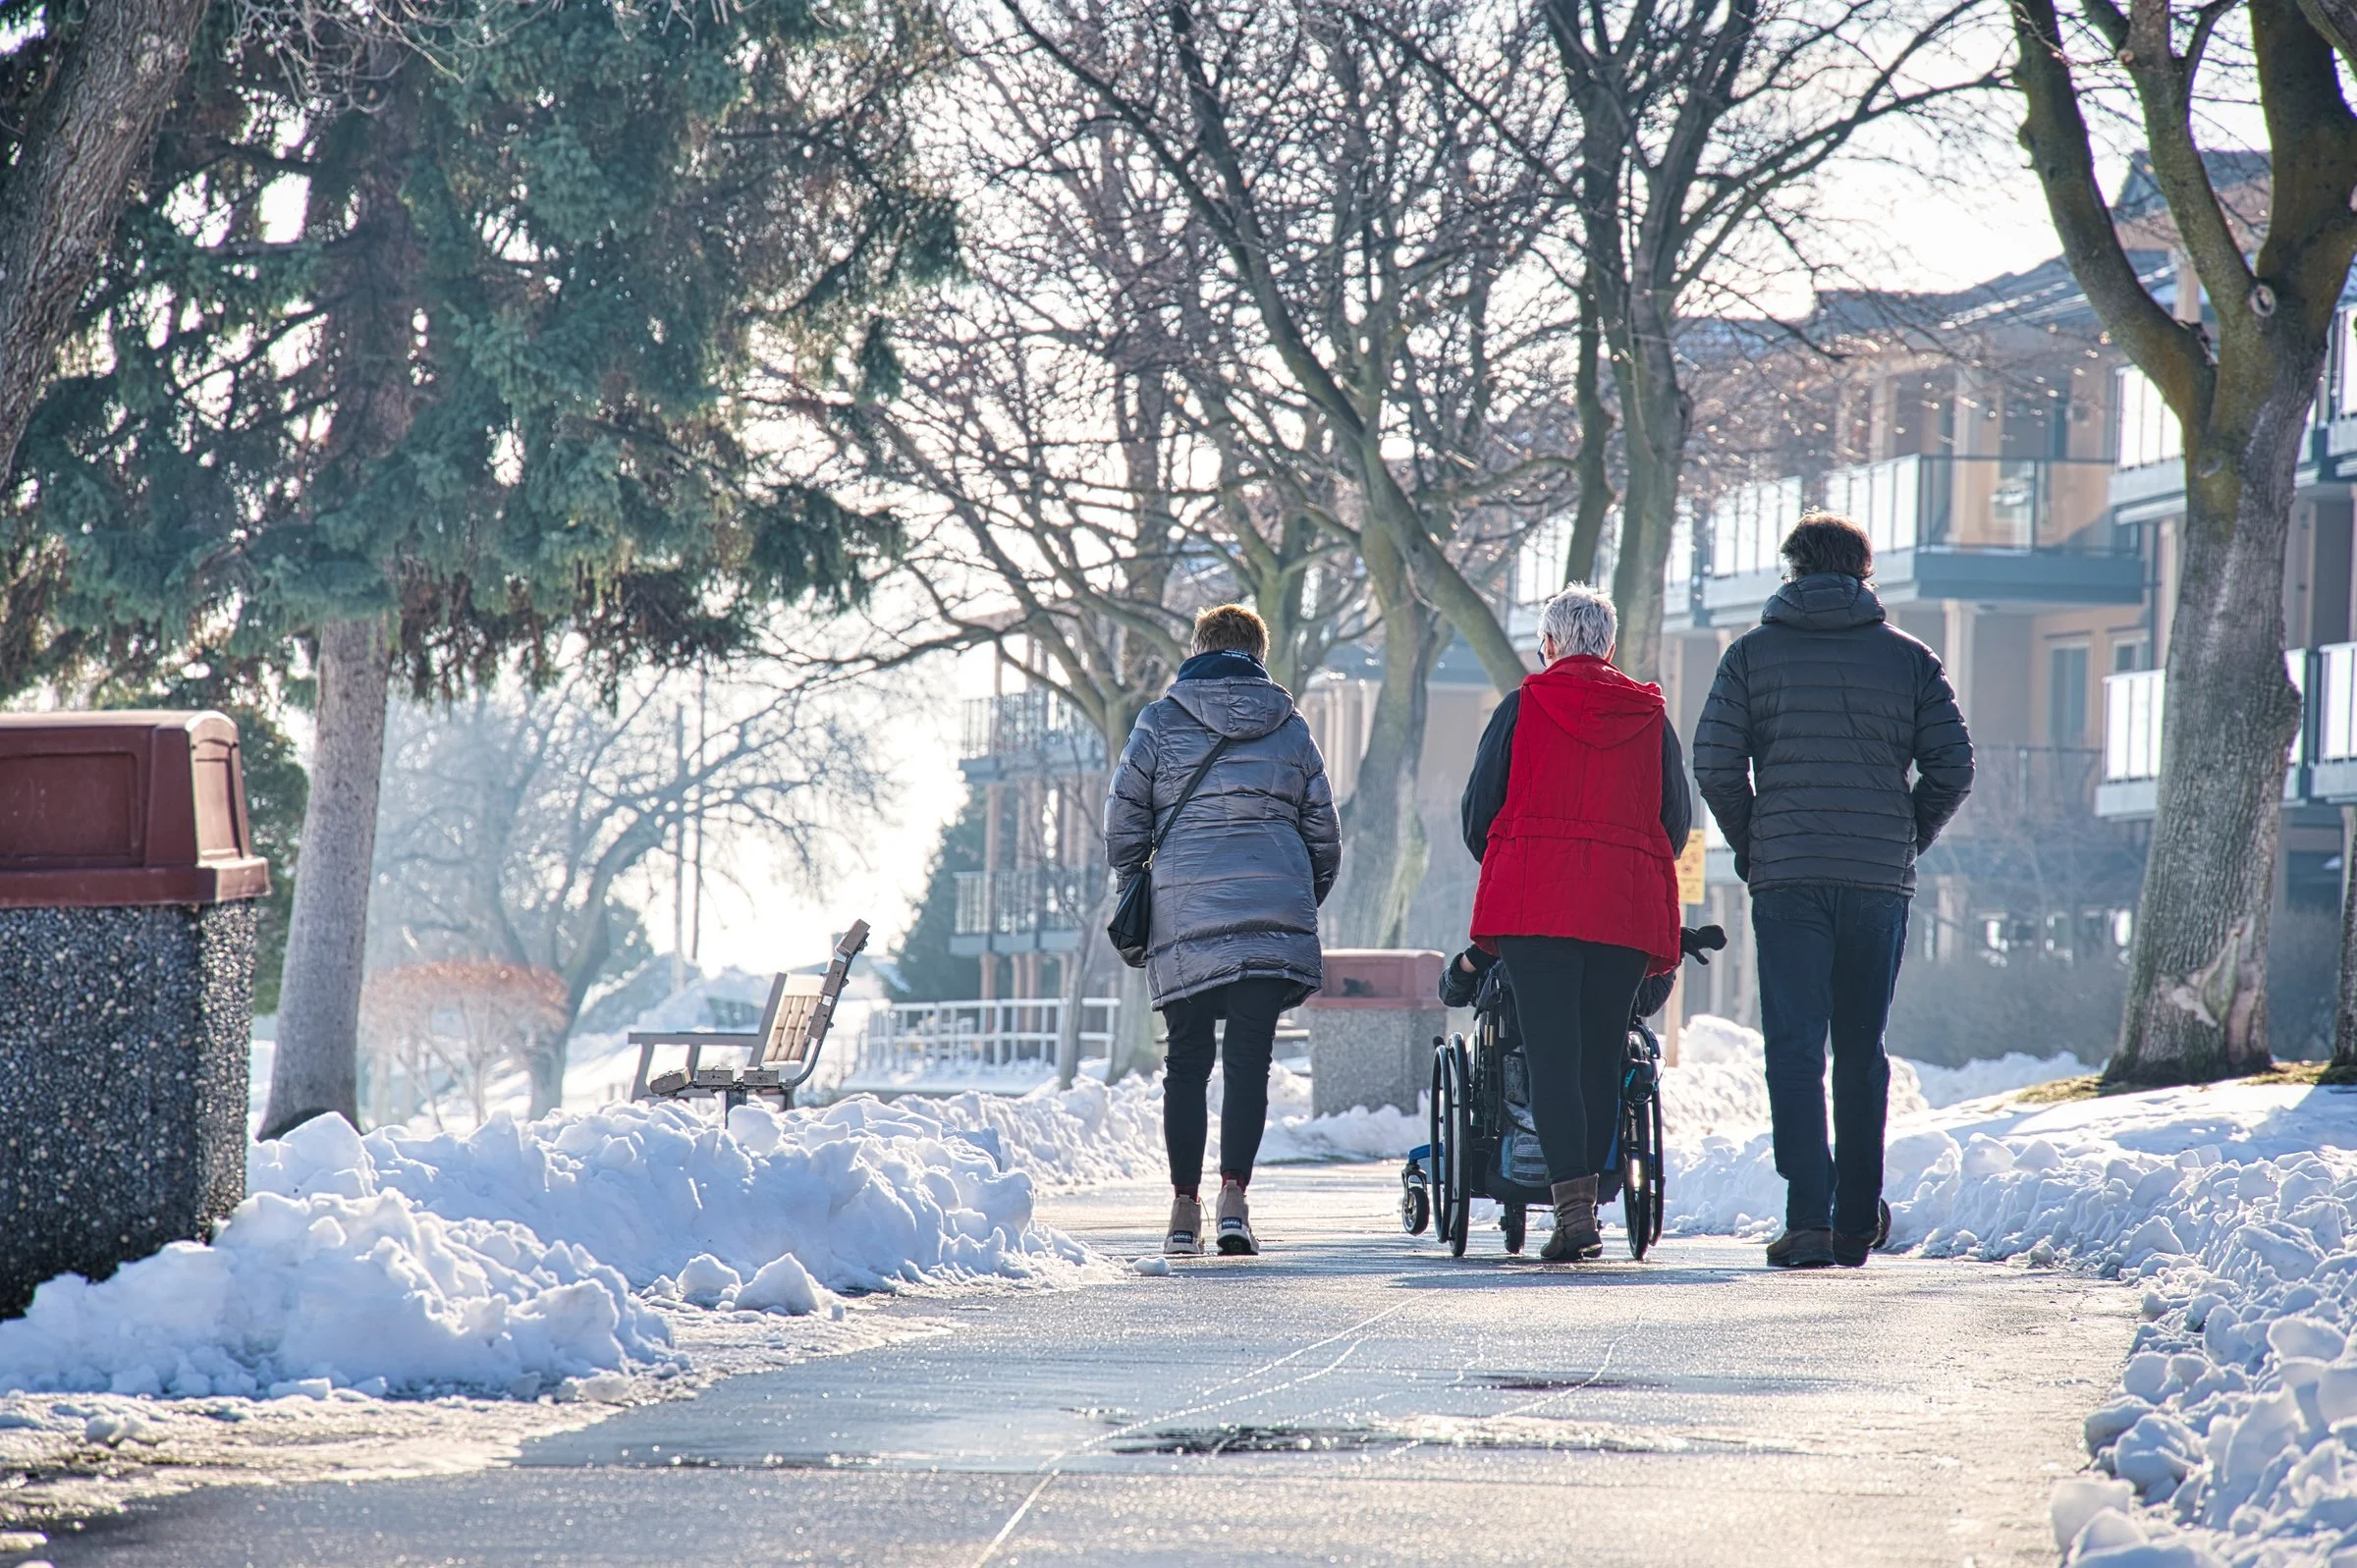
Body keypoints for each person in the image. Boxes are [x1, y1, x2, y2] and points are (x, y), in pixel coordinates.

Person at [1693, 513, 1974, 1271]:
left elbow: (1715, 762)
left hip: (1788, 877)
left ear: (1791, 571)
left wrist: (1756, 843)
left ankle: (1807, 1217)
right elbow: (1953, 765)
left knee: (1792, 1046)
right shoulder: (1911, 660)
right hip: (1878, 877)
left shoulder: (1749, 657)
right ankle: (1856, 1219)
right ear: (1864, 572)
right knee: (1861, 1047)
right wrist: (1904, 835)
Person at [1105, 604, 1341, 1258]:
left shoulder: (1159, 721)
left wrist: (1140, 881)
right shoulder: (1291, 728)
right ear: (1257, 656)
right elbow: (1324, 831)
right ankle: (1235, 1198)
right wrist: (1297, 896)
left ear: (1199, 647)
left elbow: (1123, 824)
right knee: (1249, 1061)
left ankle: (1184, 1209)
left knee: (1185, 1062)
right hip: (1272, 915)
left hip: (1184, 915)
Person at [1460, 583, 1688, 1262]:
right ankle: (1584, 1202)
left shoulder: (1522, 707)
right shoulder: (1651, 716)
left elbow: (1479, 813)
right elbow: (1674, 820)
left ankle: (1574, 1207)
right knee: (1599, 1049)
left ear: (1551, 644)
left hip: (1536, 907)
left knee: (1551, 1053)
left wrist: (1516, 854)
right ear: (1610, 646)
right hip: (1620, 906)